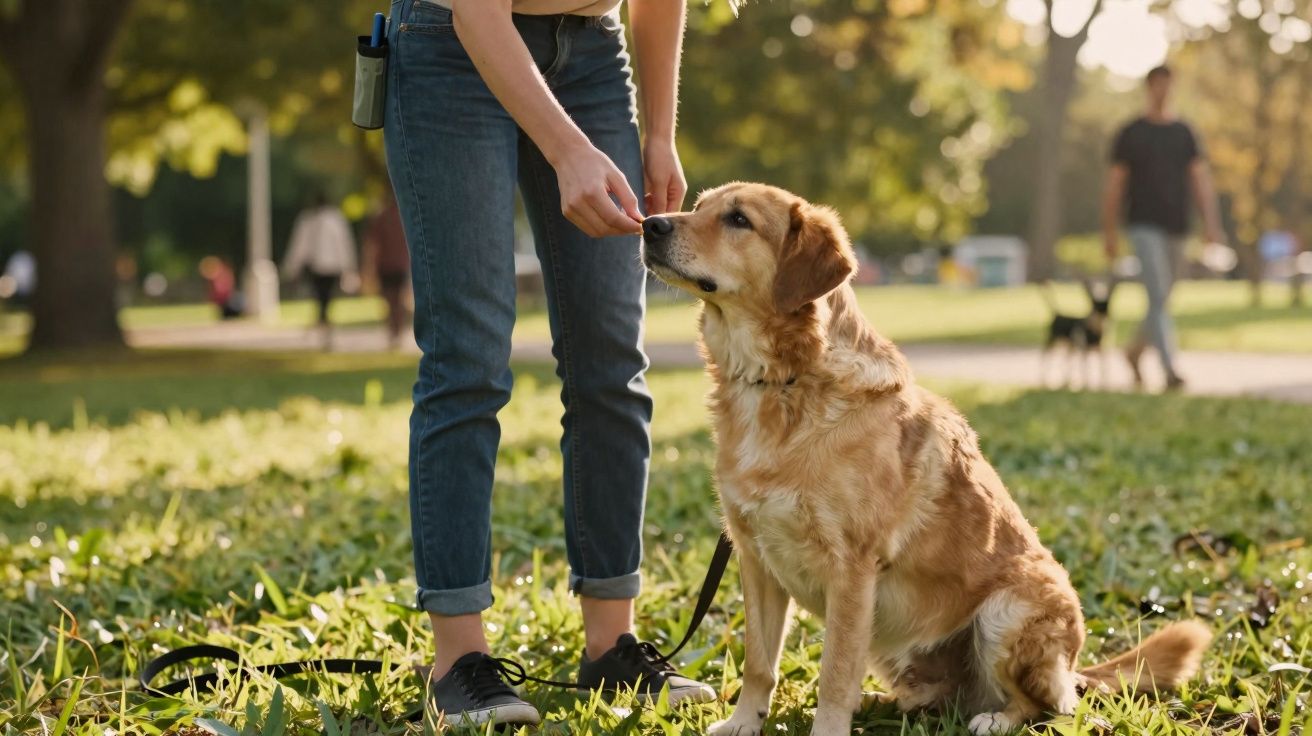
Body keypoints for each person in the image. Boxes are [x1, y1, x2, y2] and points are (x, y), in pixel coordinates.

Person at [383, 0, 709, 727]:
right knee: (468, 360)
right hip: (453, 45)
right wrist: (568, 152)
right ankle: (458, 659)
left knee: (612, 363)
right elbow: (476, 9)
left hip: (595, 54)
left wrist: (658, 134)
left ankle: (612, 644)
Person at [1101, 64, 1224, 391]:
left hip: (1178, 226)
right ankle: (1170, 370)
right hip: (1142, 224)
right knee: (1157, 293)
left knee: (1164, 297)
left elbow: (1200, 180)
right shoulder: (1131, 133)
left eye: (1168, 85)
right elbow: (1115, 184)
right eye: (1157, 85)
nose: (1163, 91)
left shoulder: (1184, 132)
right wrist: (1109, 231)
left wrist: (1211, 224)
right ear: (1148, 87)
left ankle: (1134, 350)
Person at [282, 192, 358, 350]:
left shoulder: (313, 220)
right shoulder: (332, 220)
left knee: (322, 298)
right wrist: (348, 267)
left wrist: (291, 268)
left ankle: (323, 327)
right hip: (326, 267)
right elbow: (343, 245)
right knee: (324, 298)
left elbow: (299, 247)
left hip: (321, 267)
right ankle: (324, 328)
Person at [362, 190, 411, 350]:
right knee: (398, 300)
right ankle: (397, 331)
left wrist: (369, 268)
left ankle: (394, 330)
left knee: (391, 300)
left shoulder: (381, 217)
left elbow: (373, 245)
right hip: (401, 264)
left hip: (386, 265)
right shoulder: (406, 217)